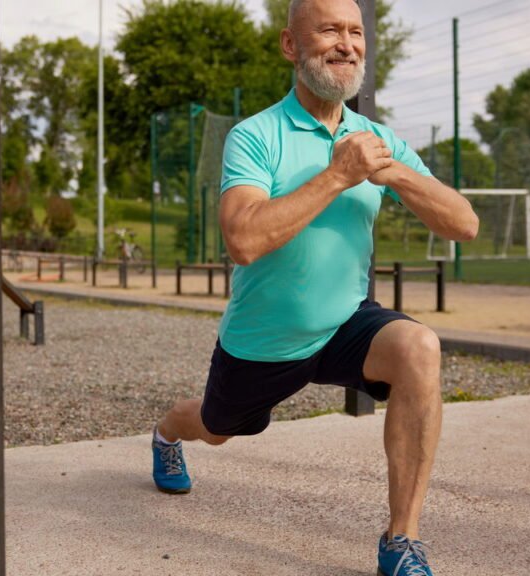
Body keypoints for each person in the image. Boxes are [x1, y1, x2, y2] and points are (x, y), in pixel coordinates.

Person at [150, 0, 478, 573]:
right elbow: (244, 241)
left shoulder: (376, 139)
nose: (346, 43)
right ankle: (165, 434)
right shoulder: (256, 136)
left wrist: (392, 170)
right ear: (290, 46)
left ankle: (401, 541)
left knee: (418, 348)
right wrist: (338, 175)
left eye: (355, 32)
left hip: (346, 322)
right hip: (264, 339)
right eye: (329, 29)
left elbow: (464, 223)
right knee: (215, 427)